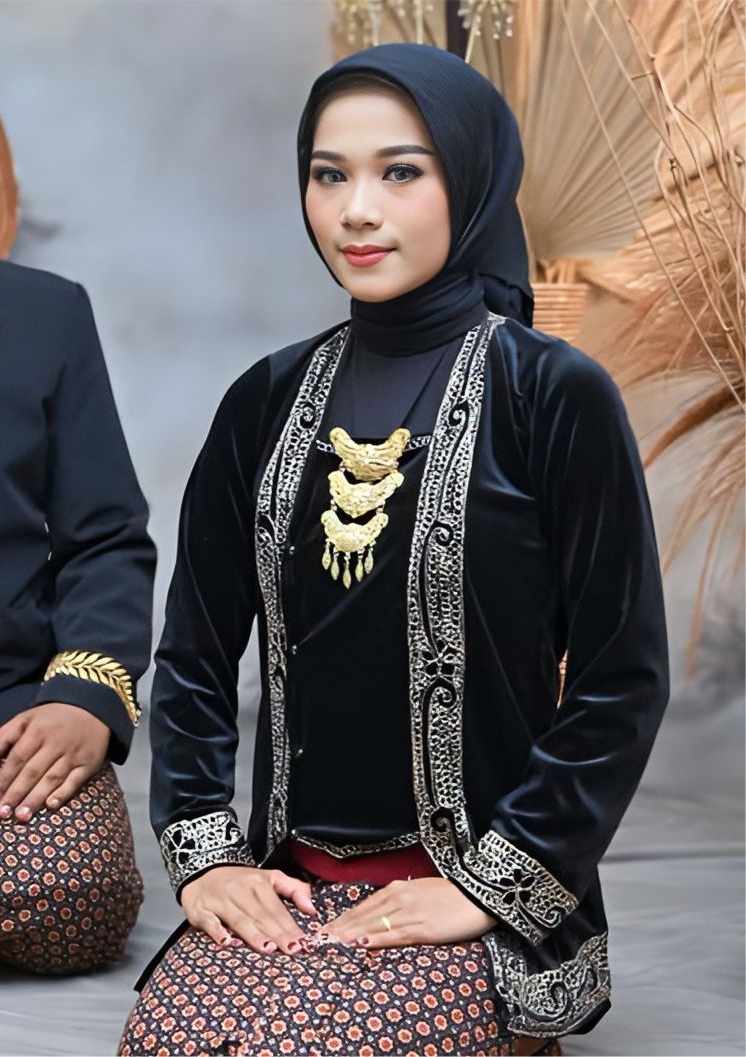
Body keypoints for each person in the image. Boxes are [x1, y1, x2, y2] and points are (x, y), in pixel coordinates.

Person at [119, 42, 669, 1056]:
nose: (356, 211)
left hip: (474, 892)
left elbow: (619, 679)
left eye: (400, 172)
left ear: (473, 180)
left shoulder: (551, 395)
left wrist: (487, 888)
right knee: (173, 1044)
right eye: (329, 175)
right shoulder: (265, 399)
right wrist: (209, 860)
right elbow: (193, 656)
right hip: (290, 882)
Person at [0, 259, 156, 973]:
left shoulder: (44, 310)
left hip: (3, 710)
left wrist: (83, 698)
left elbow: (105, 539)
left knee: (74, 893)